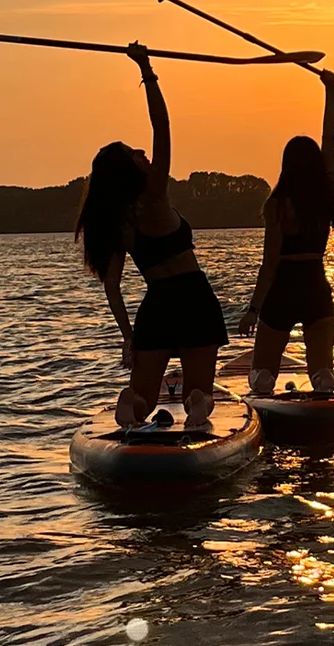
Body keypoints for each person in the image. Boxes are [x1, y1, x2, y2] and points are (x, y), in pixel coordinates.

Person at [75, 43, 229, 428]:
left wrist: (129, 336)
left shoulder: (115, 220)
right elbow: (162, 126)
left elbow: (112, 286)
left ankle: (133, 403)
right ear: (129, 170)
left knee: (145, 396)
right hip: (193, 297)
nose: (143, 152)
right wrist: (146, 68)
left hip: (156, 306)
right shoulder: (155, 197)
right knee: (202, 392)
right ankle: (196, 405)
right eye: (134, 153)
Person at [238, 70, 334, 395]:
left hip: (283, 290)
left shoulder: (278, 205)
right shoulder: (325, 195)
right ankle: (323, 386)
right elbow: (330, 138)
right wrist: (330, 91)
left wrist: (253, 309)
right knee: (322, 371)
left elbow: (269, 265)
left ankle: (265, 392)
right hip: (315, 287)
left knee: (263, 375)